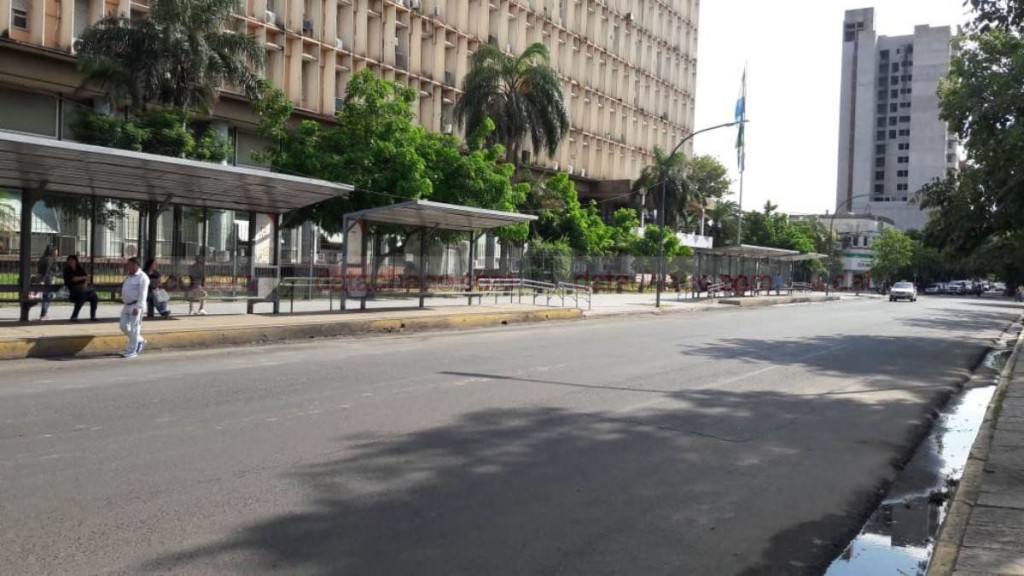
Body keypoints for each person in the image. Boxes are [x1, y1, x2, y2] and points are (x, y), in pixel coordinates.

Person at [119, 257, 150, 358]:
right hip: (126, 305)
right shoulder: (129, 275)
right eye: (128, 264)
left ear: (136, 265)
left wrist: (138, 307)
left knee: (134, 329)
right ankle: (140, 340)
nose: (128, 266)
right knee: (123, 325)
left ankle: (132, 350)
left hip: (135, 306)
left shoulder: (142, 277)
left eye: (130, 264)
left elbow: (143, 294)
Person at [62, 255, 99, 321]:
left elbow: (87, 278)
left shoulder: (80, 269)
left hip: (82, 289)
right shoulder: (66, 270)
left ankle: (93, 316)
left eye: (72, 260)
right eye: (69, 260)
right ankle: (74, 316)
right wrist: (83, 277)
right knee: (82, 296)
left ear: (76, 261)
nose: (71, 262)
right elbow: (72, 279)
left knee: (94, 297)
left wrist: (85, 284)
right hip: (72, 290)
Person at [36, 245, 60, 321]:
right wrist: (43, 280)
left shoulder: (42, 258)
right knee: (48, 297)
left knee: (46, 296)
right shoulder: (50, 259)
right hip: (48, 279)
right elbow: (46, 271)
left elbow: (40, 270)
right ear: (53, 251)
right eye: (56, 250)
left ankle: (44, 313)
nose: (57, 252)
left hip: (43, 278)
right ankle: (43, 314)